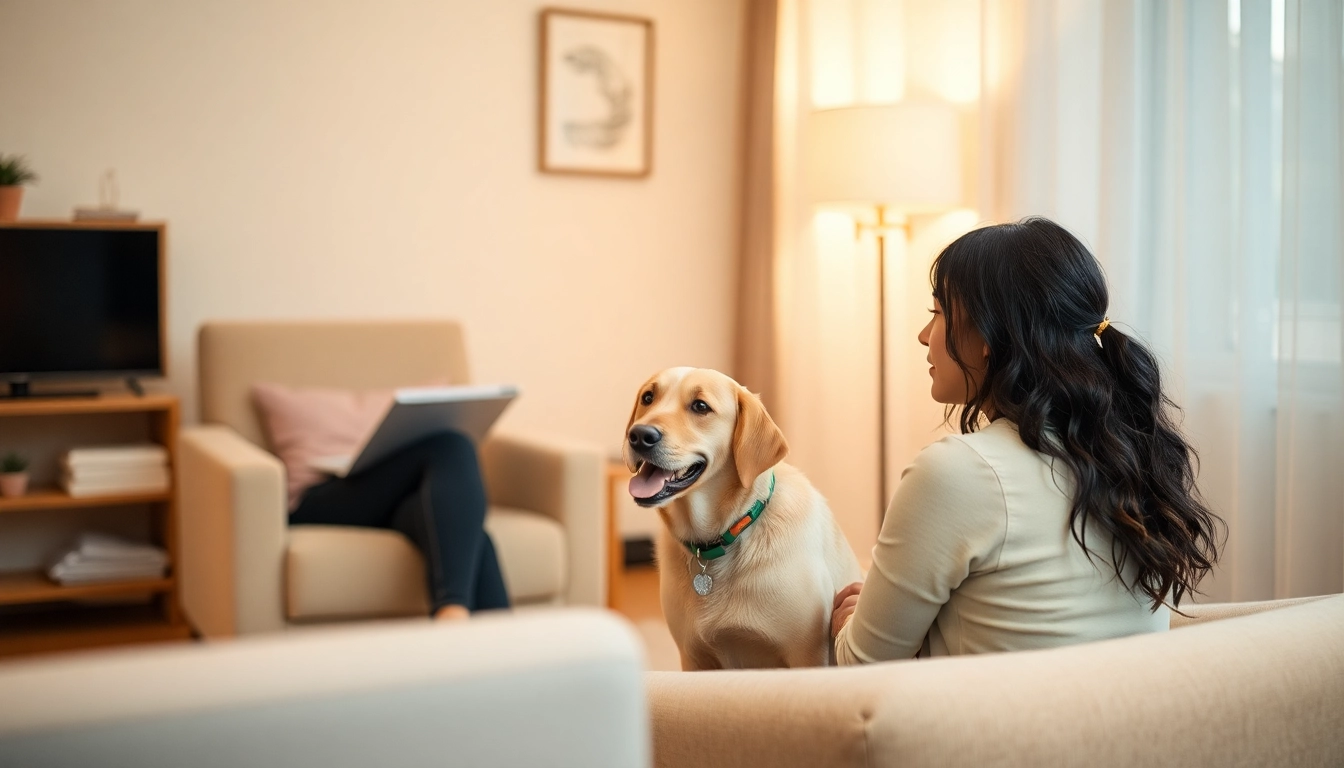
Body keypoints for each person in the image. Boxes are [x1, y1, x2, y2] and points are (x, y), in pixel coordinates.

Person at [831, 217, 1223, 663]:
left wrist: (848, 621)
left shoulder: (956, 473)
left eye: (937, 314)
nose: (924, 337)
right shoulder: (1130, 457)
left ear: (987, 337)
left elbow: (861, 665)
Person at [290, 431, 509, 621]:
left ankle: (503, 650)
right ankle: (451, 613)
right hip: (317, 494)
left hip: (394, 489)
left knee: (465, 532)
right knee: (452, 445)